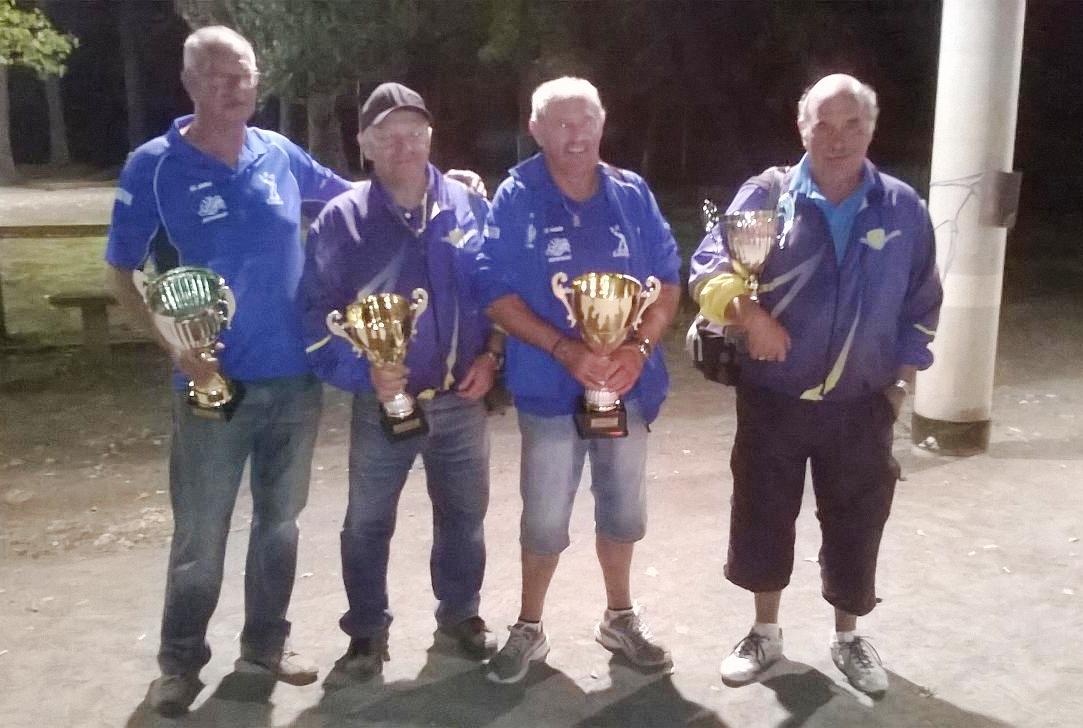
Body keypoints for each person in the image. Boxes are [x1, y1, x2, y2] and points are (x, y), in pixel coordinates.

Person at [105, 27, 355, 716]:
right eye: (219, 75)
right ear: (190, 83)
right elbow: (119, 273)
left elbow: (352, 200)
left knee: (280, 526)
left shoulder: (279, 154)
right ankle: (180, 662)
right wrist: (171, 345)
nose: (235, 86)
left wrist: (423, 181)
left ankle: (265, 645)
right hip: (211, 386)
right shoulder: (154, 166)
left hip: (296, 379)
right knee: (201, 535)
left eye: (243, 73)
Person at [689, 73, 943, 695]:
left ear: (871, 129)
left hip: (862, 404)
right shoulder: (768, 195)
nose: (837, 139)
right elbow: (706, 267)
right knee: (762, 513)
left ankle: (849, 636)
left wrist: (899, 389)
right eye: (823, 125)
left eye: (852, 124)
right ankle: (765, 634)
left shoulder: (902, 207)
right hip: (773, 397)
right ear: (802, 129)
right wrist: (749, 318)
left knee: (858, 520)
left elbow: (923, 304)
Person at [473, 77, 682, 684]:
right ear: (535, 129)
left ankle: (620, 616)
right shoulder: (517, 195)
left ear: (602, 122)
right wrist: (565, 348)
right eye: (561, 123)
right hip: (548, 386)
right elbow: (494, 291)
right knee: (543, 518)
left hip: (627, 385)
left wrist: (639, 348)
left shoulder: (630, 193)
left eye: (586, 120)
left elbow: (668, 280)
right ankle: (530, 627)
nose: (577, 134)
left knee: (622, 512)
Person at [298, 82, 501, 682]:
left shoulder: (469, 206)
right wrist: (361, 371)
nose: (403, 145)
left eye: (414, 132)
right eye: (387, 135)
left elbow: (497, 294)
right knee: (367, 521)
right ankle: (366, 632)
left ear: (430, 137)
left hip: (462, 401)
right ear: (365, 144)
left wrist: (492, 357)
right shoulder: (342, 220)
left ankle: (460, 616)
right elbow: (314, 311)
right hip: (381, 405)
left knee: (464, 516)